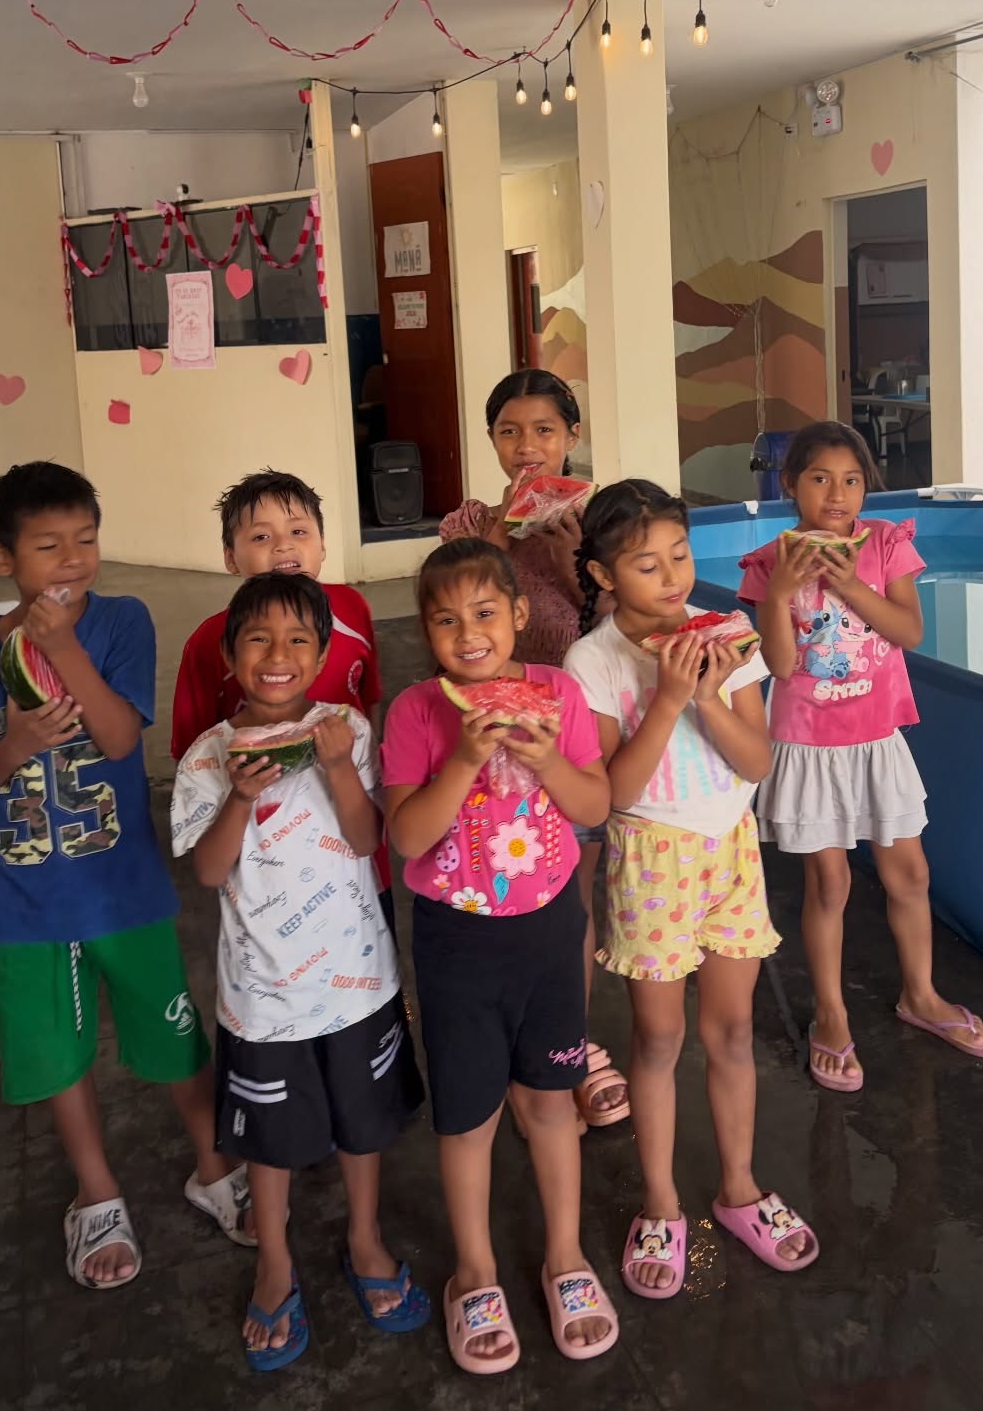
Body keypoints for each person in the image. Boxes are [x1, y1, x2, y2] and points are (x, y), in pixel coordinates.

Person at [0, 461, 250, 1291]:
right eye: (48, 545)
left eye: (86, 539)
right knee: (58, 1057)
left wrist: (60, 646)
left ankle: (214, 1164)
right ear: (2, 557)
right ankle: (95, 1191)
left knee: (174, 1035)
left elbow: (117, 741)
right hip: (25, 904)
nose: (72, 560)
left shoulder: (120, 623)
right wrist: (14, 747)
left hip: (125, 891)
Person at [565, 479, 819, 1300]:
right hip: (649, 857)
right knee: (657, 1041)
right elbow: (616, 793)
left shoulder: (732, 633)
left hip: (730, 851)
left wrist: (707, 693)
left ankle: (739, 1186)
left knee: (735, 1030)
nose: (673, 578)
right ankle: (661, 1204)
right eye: (646, 564)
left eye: (679, 555)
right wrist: (668, 698)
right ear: (605, 576)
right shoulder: (592, 660)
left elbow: (757, 762)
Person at [171, 573, 426, 1372]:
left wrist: (341, 767)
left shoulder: (343, 726)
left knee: (363, 1119)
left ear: (322, 654)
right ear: (228, 652)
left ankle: (364, 1237)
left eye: (297, 642)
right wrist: (240, 800)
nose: (277, 658)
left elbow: (363, 841)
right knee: (271, 1141)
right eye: (258, 640)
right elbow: (210, 873)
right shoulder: (208, 756)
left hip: (357, 979)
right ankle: (274, 1256)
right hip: (262, 993)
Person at [380, 539, 618, 1375]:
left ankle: (565, 1256)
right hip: (457, 944)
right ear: (426, 632)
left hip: (549, 934)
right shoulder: (415, 712)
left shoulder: (558, 692)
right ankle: (473, 1270)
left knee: (553, 1104)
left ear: (520, 615)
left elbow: (596, 803)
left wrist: (545, 753)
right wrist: (468, 756)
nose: (469, 634)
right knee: (470, 1116)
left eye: (486, 613)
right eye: (446, 620)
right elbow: (407, 836)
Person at [738, 421, 983, 1093]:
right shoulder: (769, 563)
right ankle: (830, 1013)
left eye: (851, 480)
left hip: (877, 739)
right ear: (790, 483)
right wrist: (777, 594)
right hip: (808, 744)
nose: (837, 493)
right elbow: (778, 662)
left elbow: (908, 630)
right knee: (830, 885)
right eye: (820, 478)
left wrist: (851, 584)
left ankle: (922, 995)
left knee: (908, 873)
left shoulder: (885, 544)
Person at [439, 371, 627, 1129]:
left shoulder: (603, 519)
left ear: (572, 437)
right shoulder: (465, 521)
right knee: (502, 901)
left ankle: (565, 1049)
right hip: (487, 749)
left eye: (544, 431)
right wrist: (500, 541)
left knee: (570, 909)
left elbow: (623, 625)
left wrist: (584, 561)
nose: (527, 448)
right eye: (509, 432)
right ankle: (518, 1051)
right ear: (490, 441)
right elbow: (452, 612)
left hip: (571, 737)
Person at [170, 470, 393, 926]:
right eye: (261, 536)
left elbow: (366, 698)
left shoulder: (353, 607)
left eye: (298, 531)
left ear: (323, 545)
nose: (283, 546)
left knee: (370, 928)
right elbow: (197, 751)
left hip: (352, 823)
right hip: (264, 856)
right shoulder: (206, 642)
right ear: (231, 558)